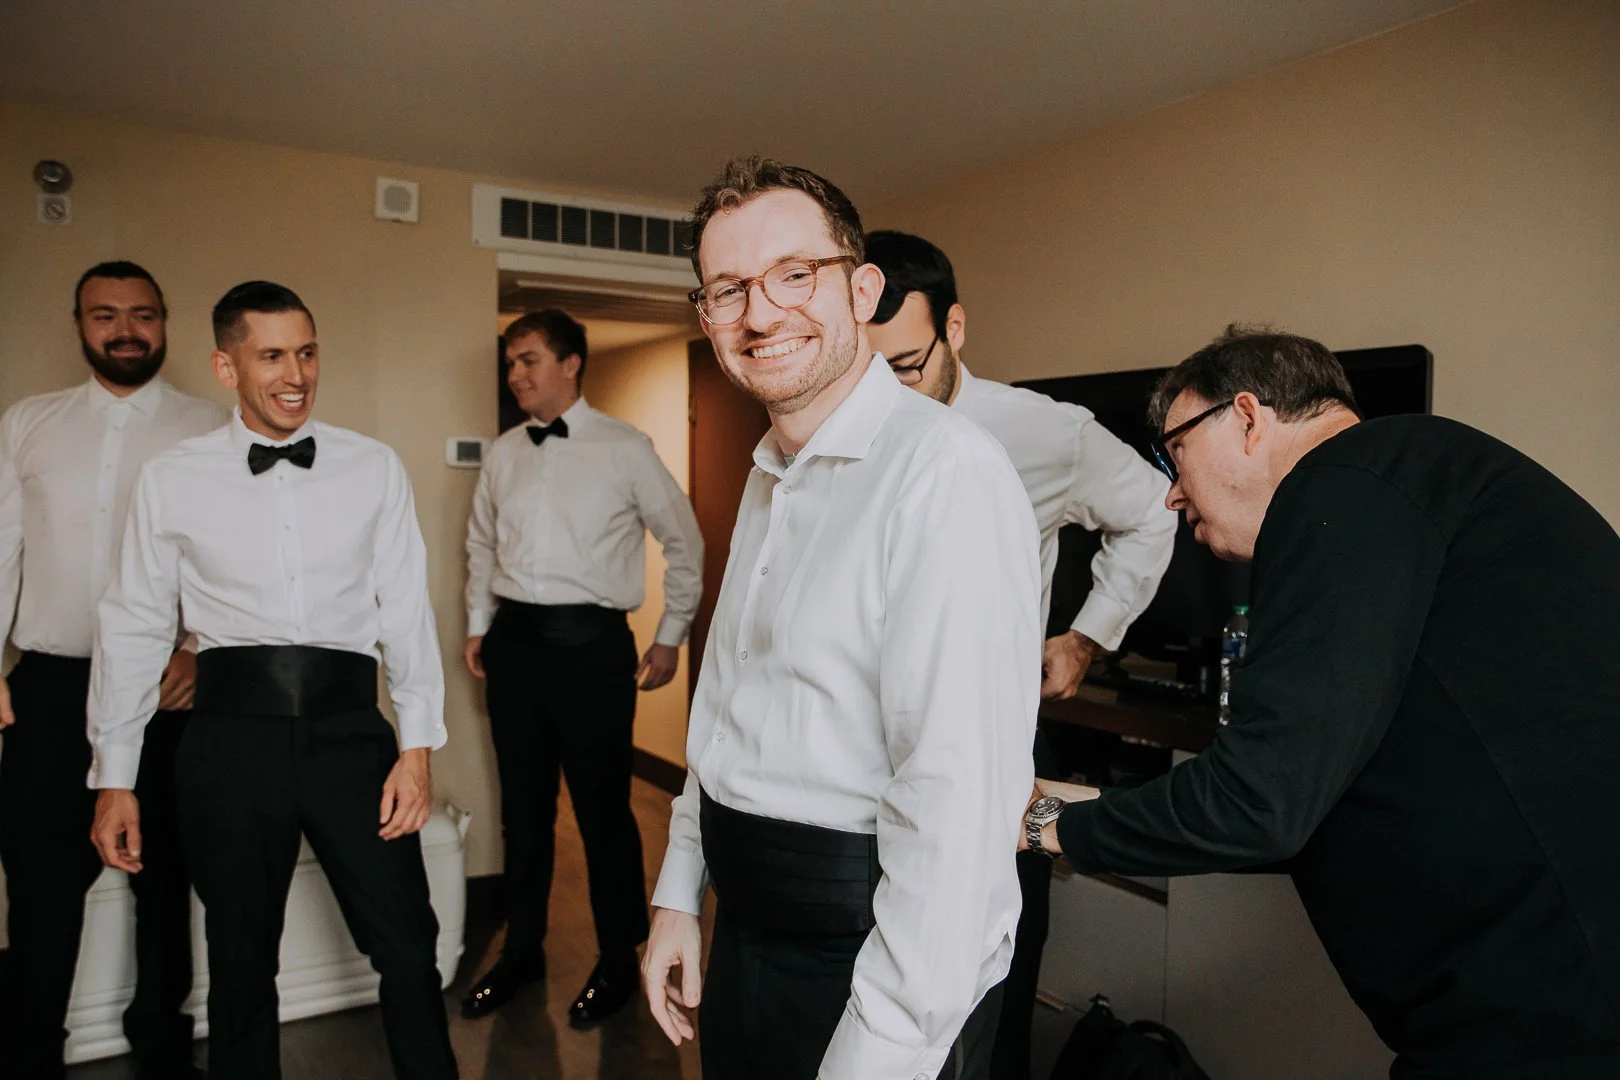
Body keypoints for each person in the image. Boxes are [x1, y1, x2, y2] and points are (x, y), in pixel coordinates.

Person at [1024, 326, 1620, 1077]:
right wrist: (1057, 801)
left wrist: (1039, 825)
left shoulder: (1344, 479)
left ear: (1247, 416)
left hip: (1553, 1016)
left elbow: (1260, 803)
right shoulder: (1405, 483)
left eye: (1174, 452)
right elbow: (1303, 808)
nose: (1170, 492)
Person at [641, 157, 1042, 1080]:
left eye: (795, 275)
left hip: (872, 965)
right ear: (707, 319)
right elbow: (726, 710)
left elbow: (955, 814)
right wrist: (679, 894)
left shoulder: (946, 475)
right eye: (728, 290)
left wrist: (882, 1051)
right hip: (745, 935)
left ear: (862, 291)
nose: (760, 314)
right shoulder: (766, 475)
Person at [86, 281, 458, 1080]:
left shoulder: (373, 466)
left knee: (407, 943)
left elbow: (406, 611)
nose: (297, 375)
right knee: (240, 959)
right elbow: (133, 626)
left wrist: (418, 747)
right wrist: (115, 778)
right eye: (273, 356)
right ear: (227, 367)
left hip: (353, 738)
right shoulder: (172, 477)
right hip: (229, 743)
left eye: (308, 353)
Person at [866, 231, 1175, 1080]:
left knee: (986, 993)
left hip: (988, 752)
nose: (885, 394)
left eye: (906, 366)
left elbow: (1155, 509)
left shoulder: (1045, 434)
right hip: (864, 752)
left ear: (955, 329)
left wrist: (1087, 635)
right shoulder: (847, 429)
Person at [0, 261, 225, 1080]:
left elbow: (228, 559)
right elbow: (0, 548)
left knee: (164, 883)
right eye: (105, 314)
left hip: (164, 690)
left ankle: (161, 1044)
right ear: (79, 324)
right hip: (50, 688)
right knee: (40, 882)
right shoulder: (28, 422)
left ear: (165, 321)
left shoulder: (211, 426)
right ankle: (31, 1050)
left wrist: (199, 649)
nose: (125, 329)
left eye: (142, 314)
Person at [460, 308, 703, 1026]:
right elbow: (480, 544)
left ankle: (619, 960)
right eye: (510, 363)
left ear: (570, 364)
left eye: (528, 360)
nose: (515, 375)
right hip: (514, 643)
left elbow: (684, 541)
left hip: (592, 648)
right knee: (524, 811)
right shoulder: (504, 452)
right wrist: (478, 624)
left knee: (603, 814)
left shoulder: (625, 448)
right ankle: (521, 951)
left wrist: (671, 635)